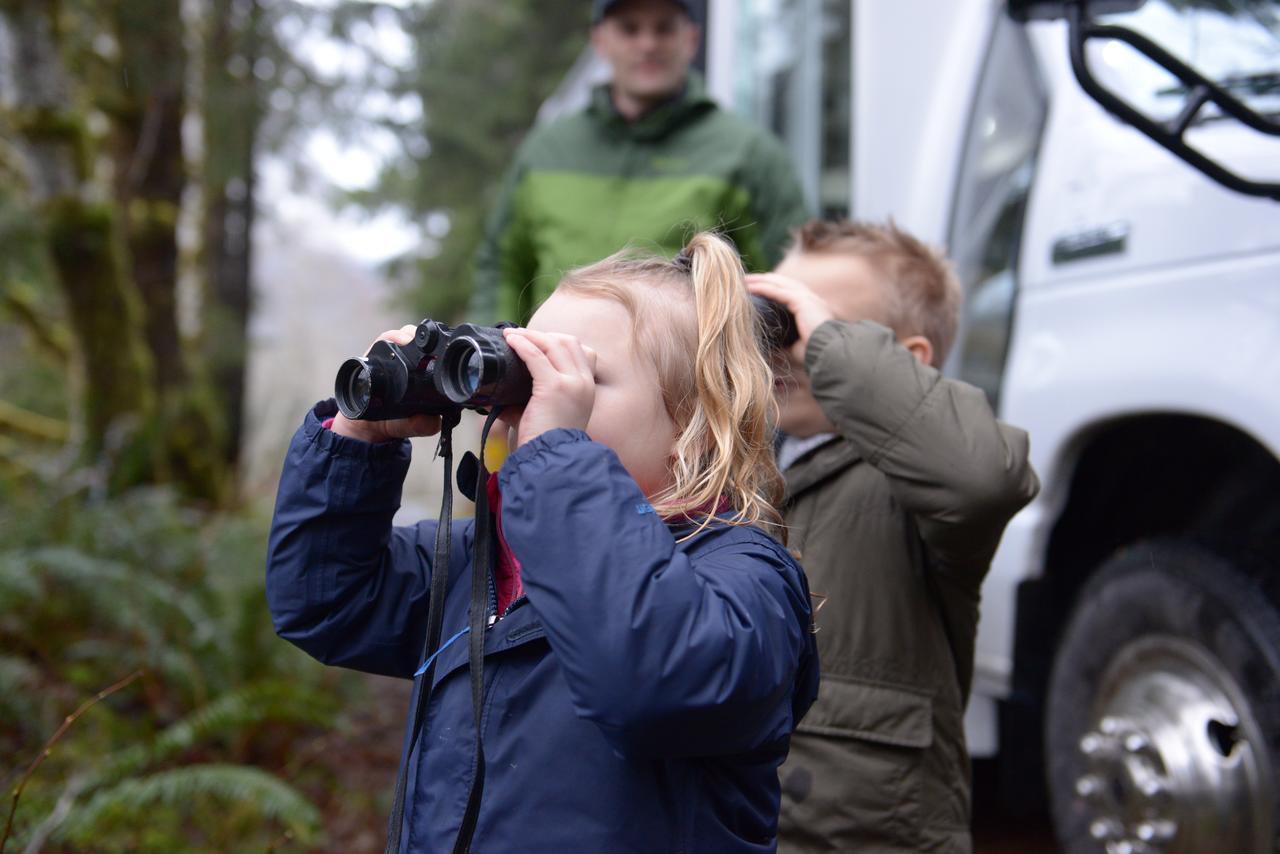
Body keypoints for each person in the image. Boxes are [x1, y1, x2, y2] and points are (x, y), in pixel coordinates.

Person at [266, 231, 820, 852]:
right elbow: (326, 600)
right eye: (525, 369)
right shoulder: (483, 562)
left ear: (694, 425)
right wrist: (356, 440)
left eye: (577, 377)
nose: (535, 395)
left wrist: (556, 461)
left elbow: (652, 681)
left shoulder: (745, 579)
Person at [746, 220, 1040, 853]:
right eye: (775, 317)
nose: (782, 348)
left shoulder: (917, 487)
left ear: (902, 362)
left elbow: (981, 476)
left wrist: (825, 342)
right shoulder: (738, 465)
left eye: (813, 325)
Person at [469, 0, 809, 325]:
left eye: (663, 28)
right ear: (600, 41)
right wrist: (498, 356)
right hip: (552, 374)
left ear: (691, 39)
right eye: (630, 29)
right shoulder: (546, 148)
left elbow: (793, 281)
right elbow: (501, 266)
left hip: (687, 382)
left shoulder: (747, 151)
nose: (647, 44)